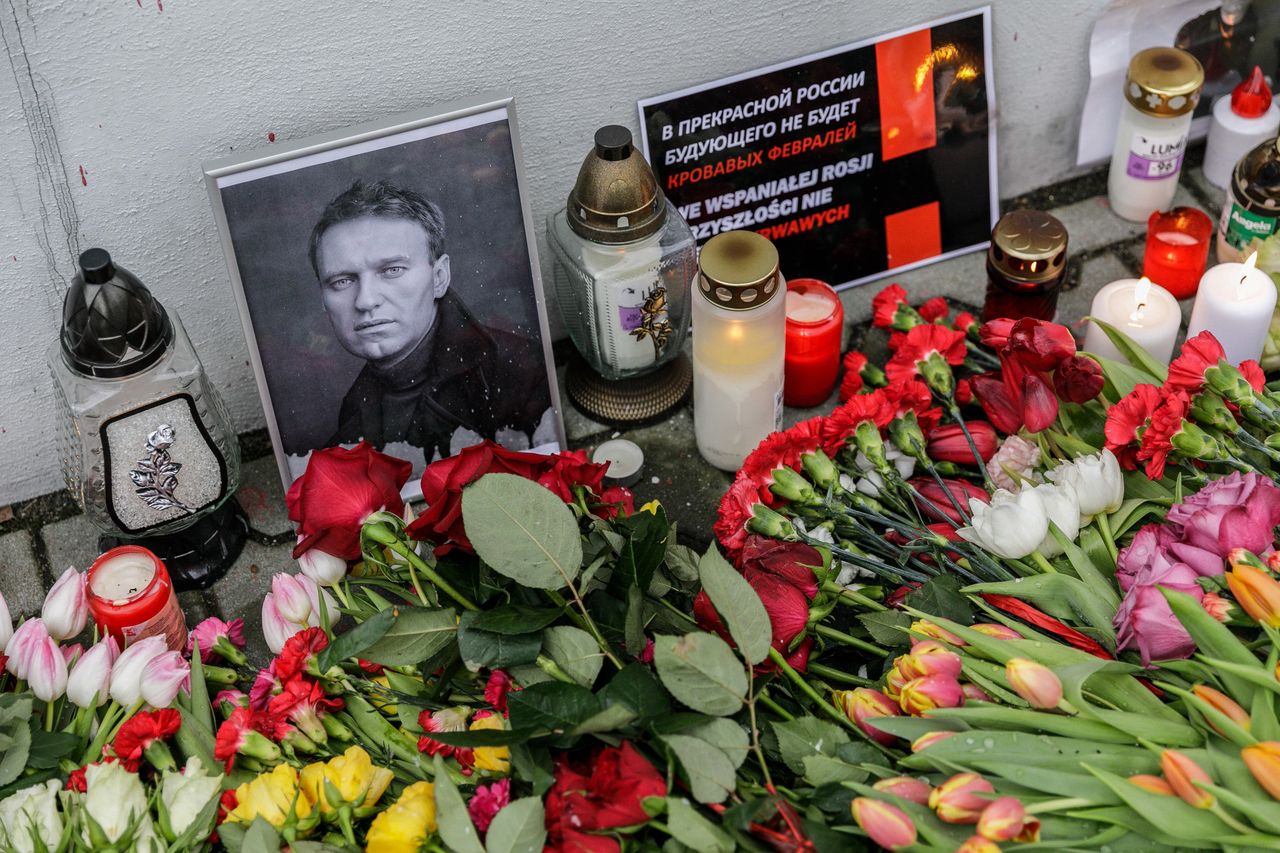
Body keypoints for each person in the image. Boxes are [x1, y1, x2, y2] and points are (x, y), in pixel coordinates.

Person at [310, 179, 554, 460]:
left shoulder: (520, 373)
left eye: (392, 270)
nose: (365, 301)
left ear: (439, 278)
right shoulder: (354, 413)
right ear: (323, 300)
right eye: (342, 281)